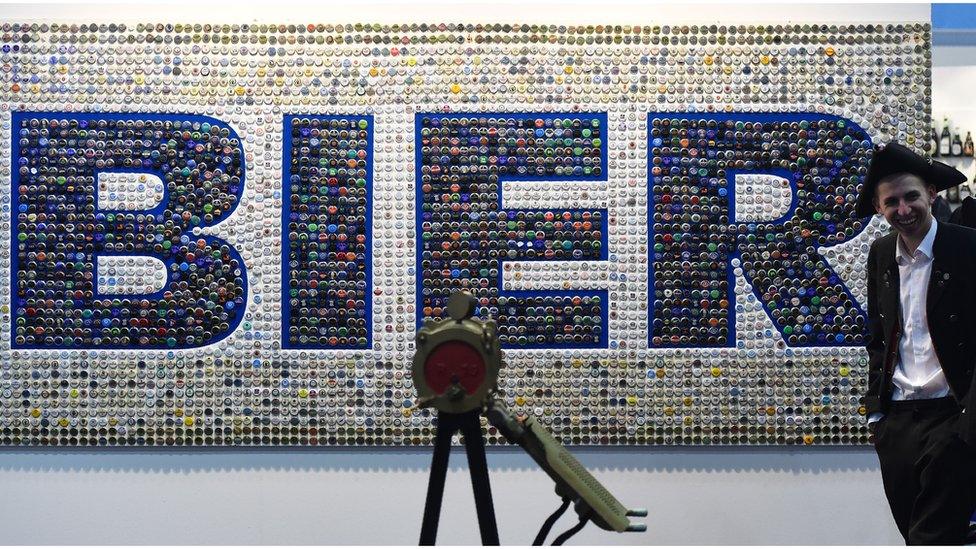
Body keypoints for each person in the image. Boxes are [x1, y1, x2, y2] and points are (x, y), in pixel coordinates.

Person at [857, 141, 976, 545]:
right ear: (879, 208)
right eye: (892, 202)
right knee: (913, 534)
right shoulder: (880, 253)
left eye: (911, 197)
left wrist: (968, 425)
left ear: (931, 193)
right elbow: (878, 336)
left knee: (934, 536)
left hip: (953, 416)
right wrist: (878, 417)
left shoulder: (968, 247)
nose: (903, 210)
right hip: (898, 423)